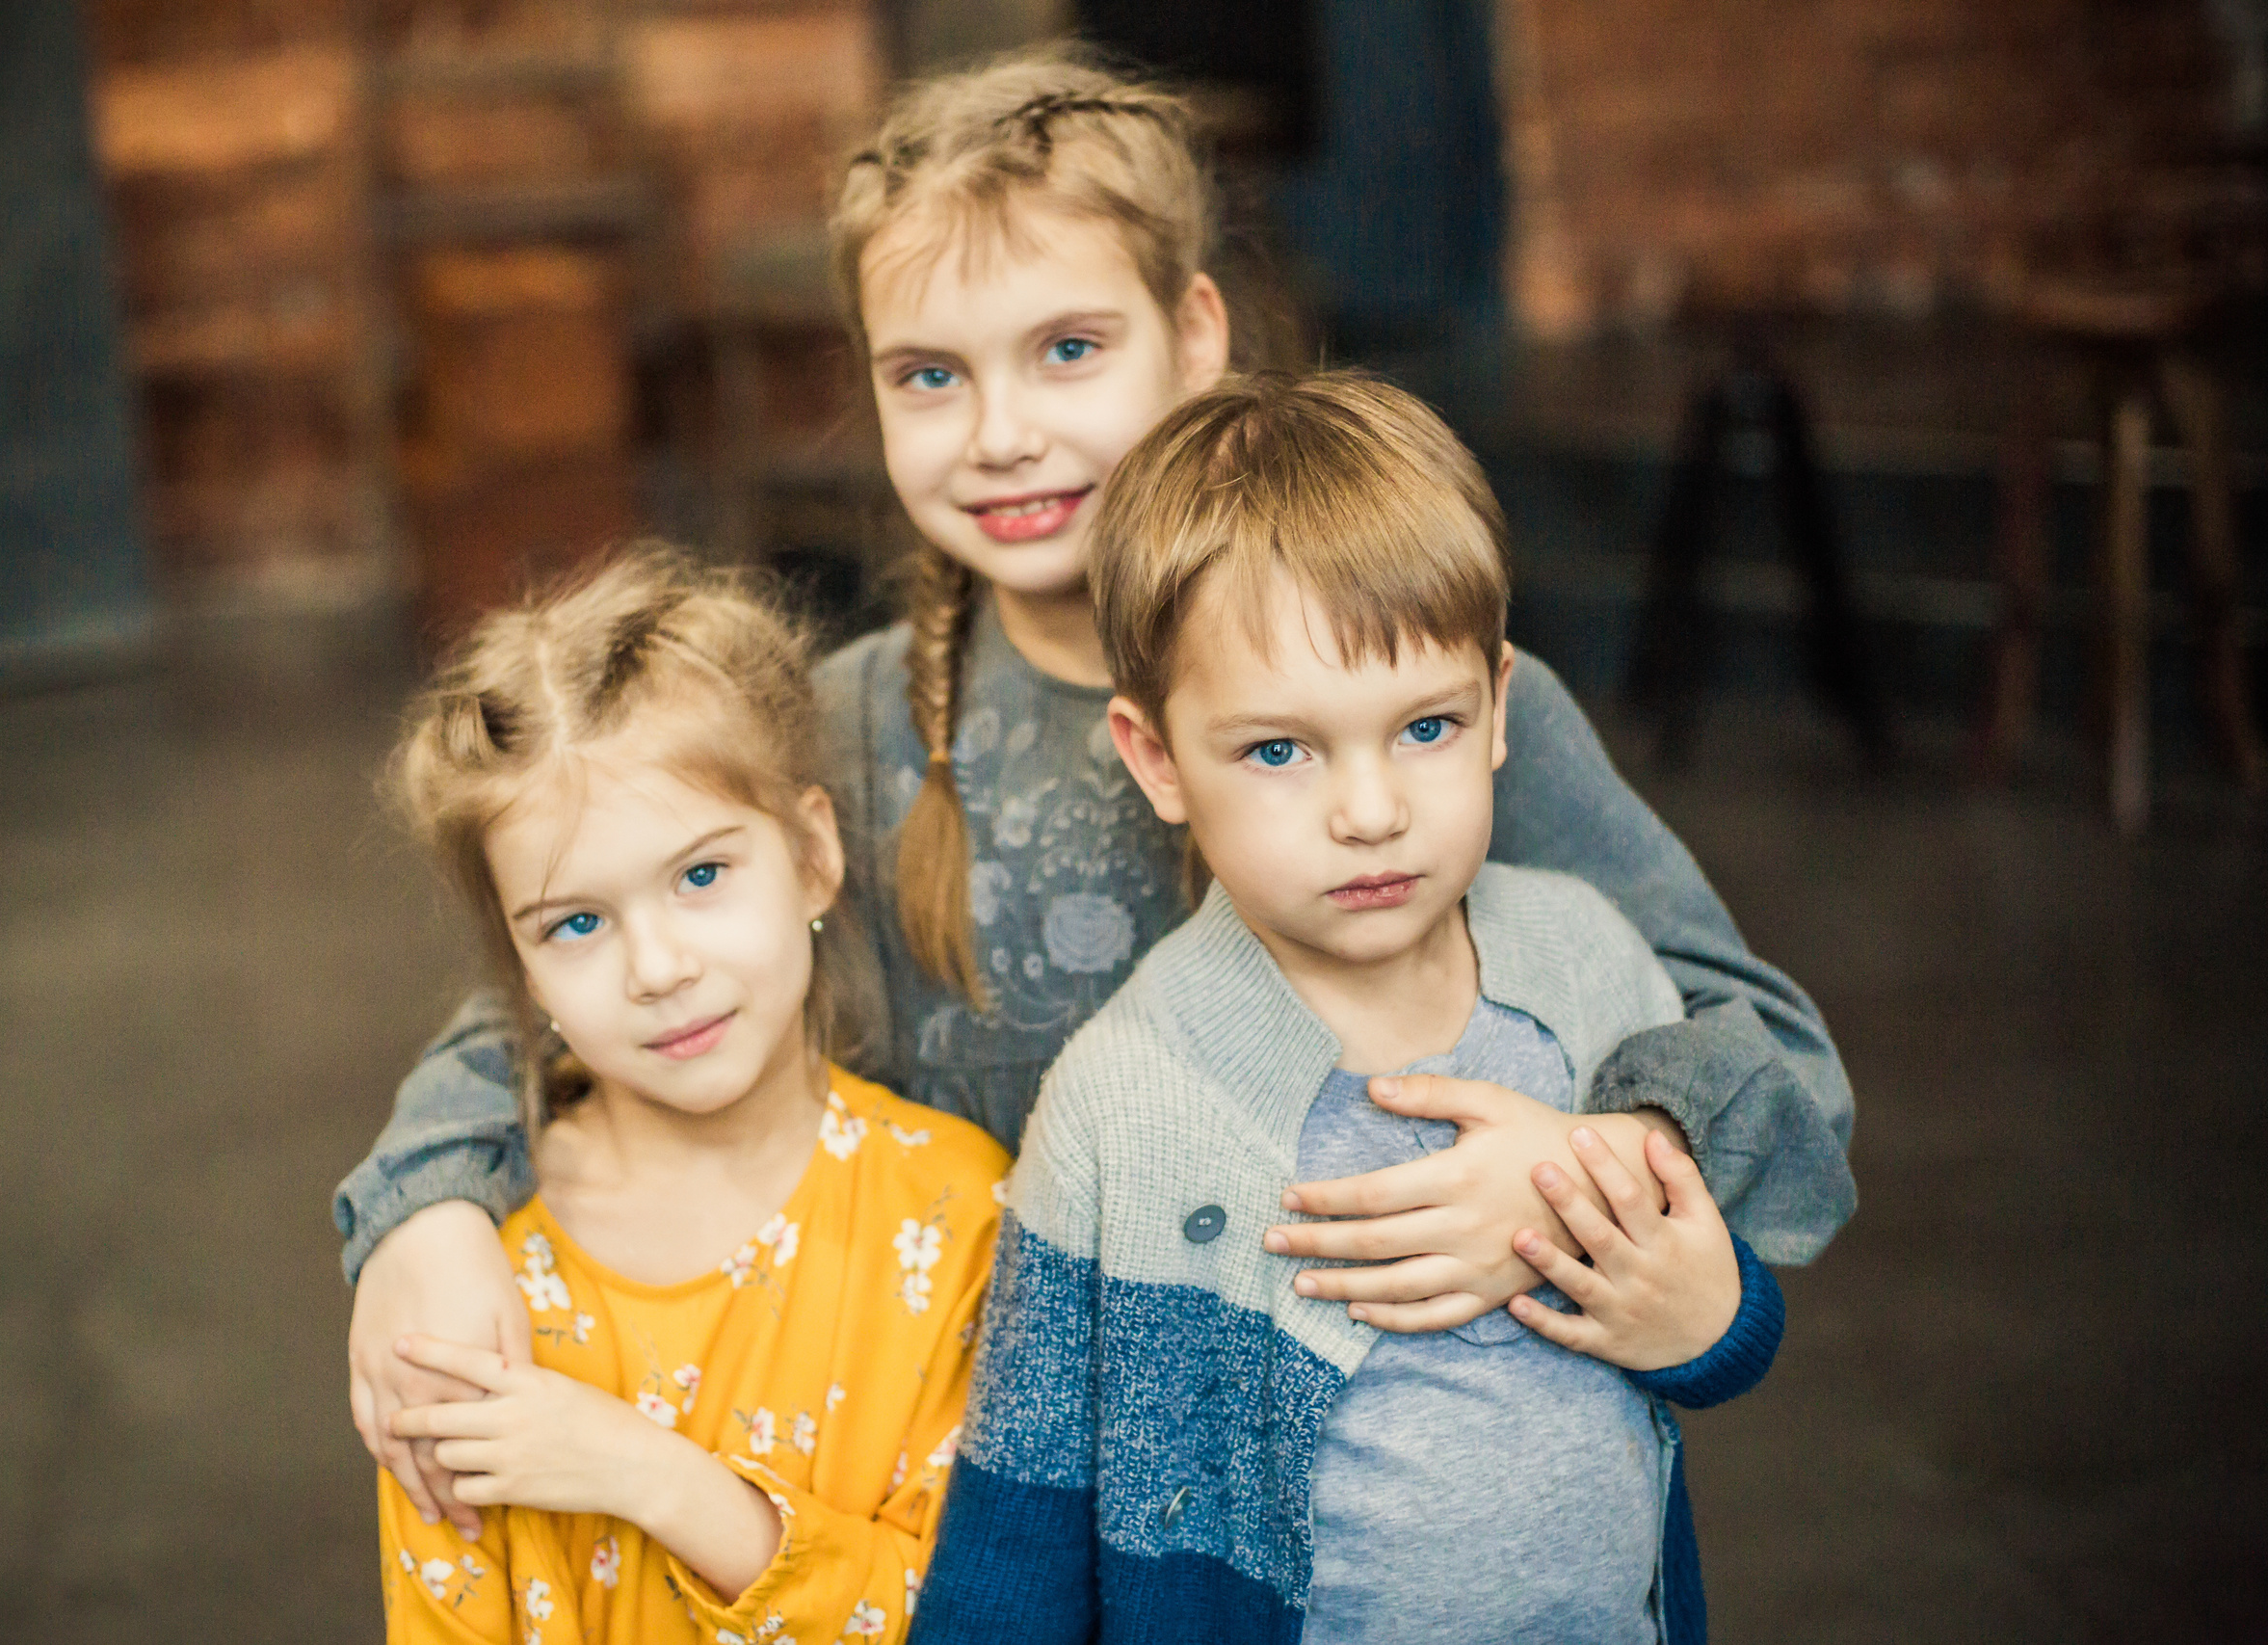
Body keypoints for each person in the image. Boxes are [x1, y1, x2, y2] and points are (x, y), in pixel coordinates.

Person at [338, 45, 1856, 1538]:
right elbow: (546, 1000)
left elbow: (1769, 1049)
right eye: (929, 375)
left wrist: (1588, 1165)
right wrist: (424, 1209)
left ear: (1195, 335)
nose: (1001, 433)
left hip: (1418, 1515)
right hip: (985, 1514)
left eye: (1069, 349)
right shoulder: (849, 729)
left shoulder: (1401, 709)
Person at [915, 372, 1780, 1645]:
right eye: (1281, 749)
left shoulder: (1596, 969)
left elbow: (1709, 1323)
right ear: (1155, 756)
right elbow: (1017, 1517)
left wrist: (1712, 1317)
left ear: (1498, 707)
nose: (1369, 809)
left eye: (1425, 725)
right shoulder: (1123, 1095)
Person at [374, 549, 1007, 1643]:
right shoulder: (474, 1288)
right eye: (577, 923)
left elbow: (979, 1617)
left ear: (811, 854)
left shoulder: (958, 1216)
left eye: (701, 875)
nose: (657, 967)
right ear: (520, 969)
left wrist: (650, 1477)